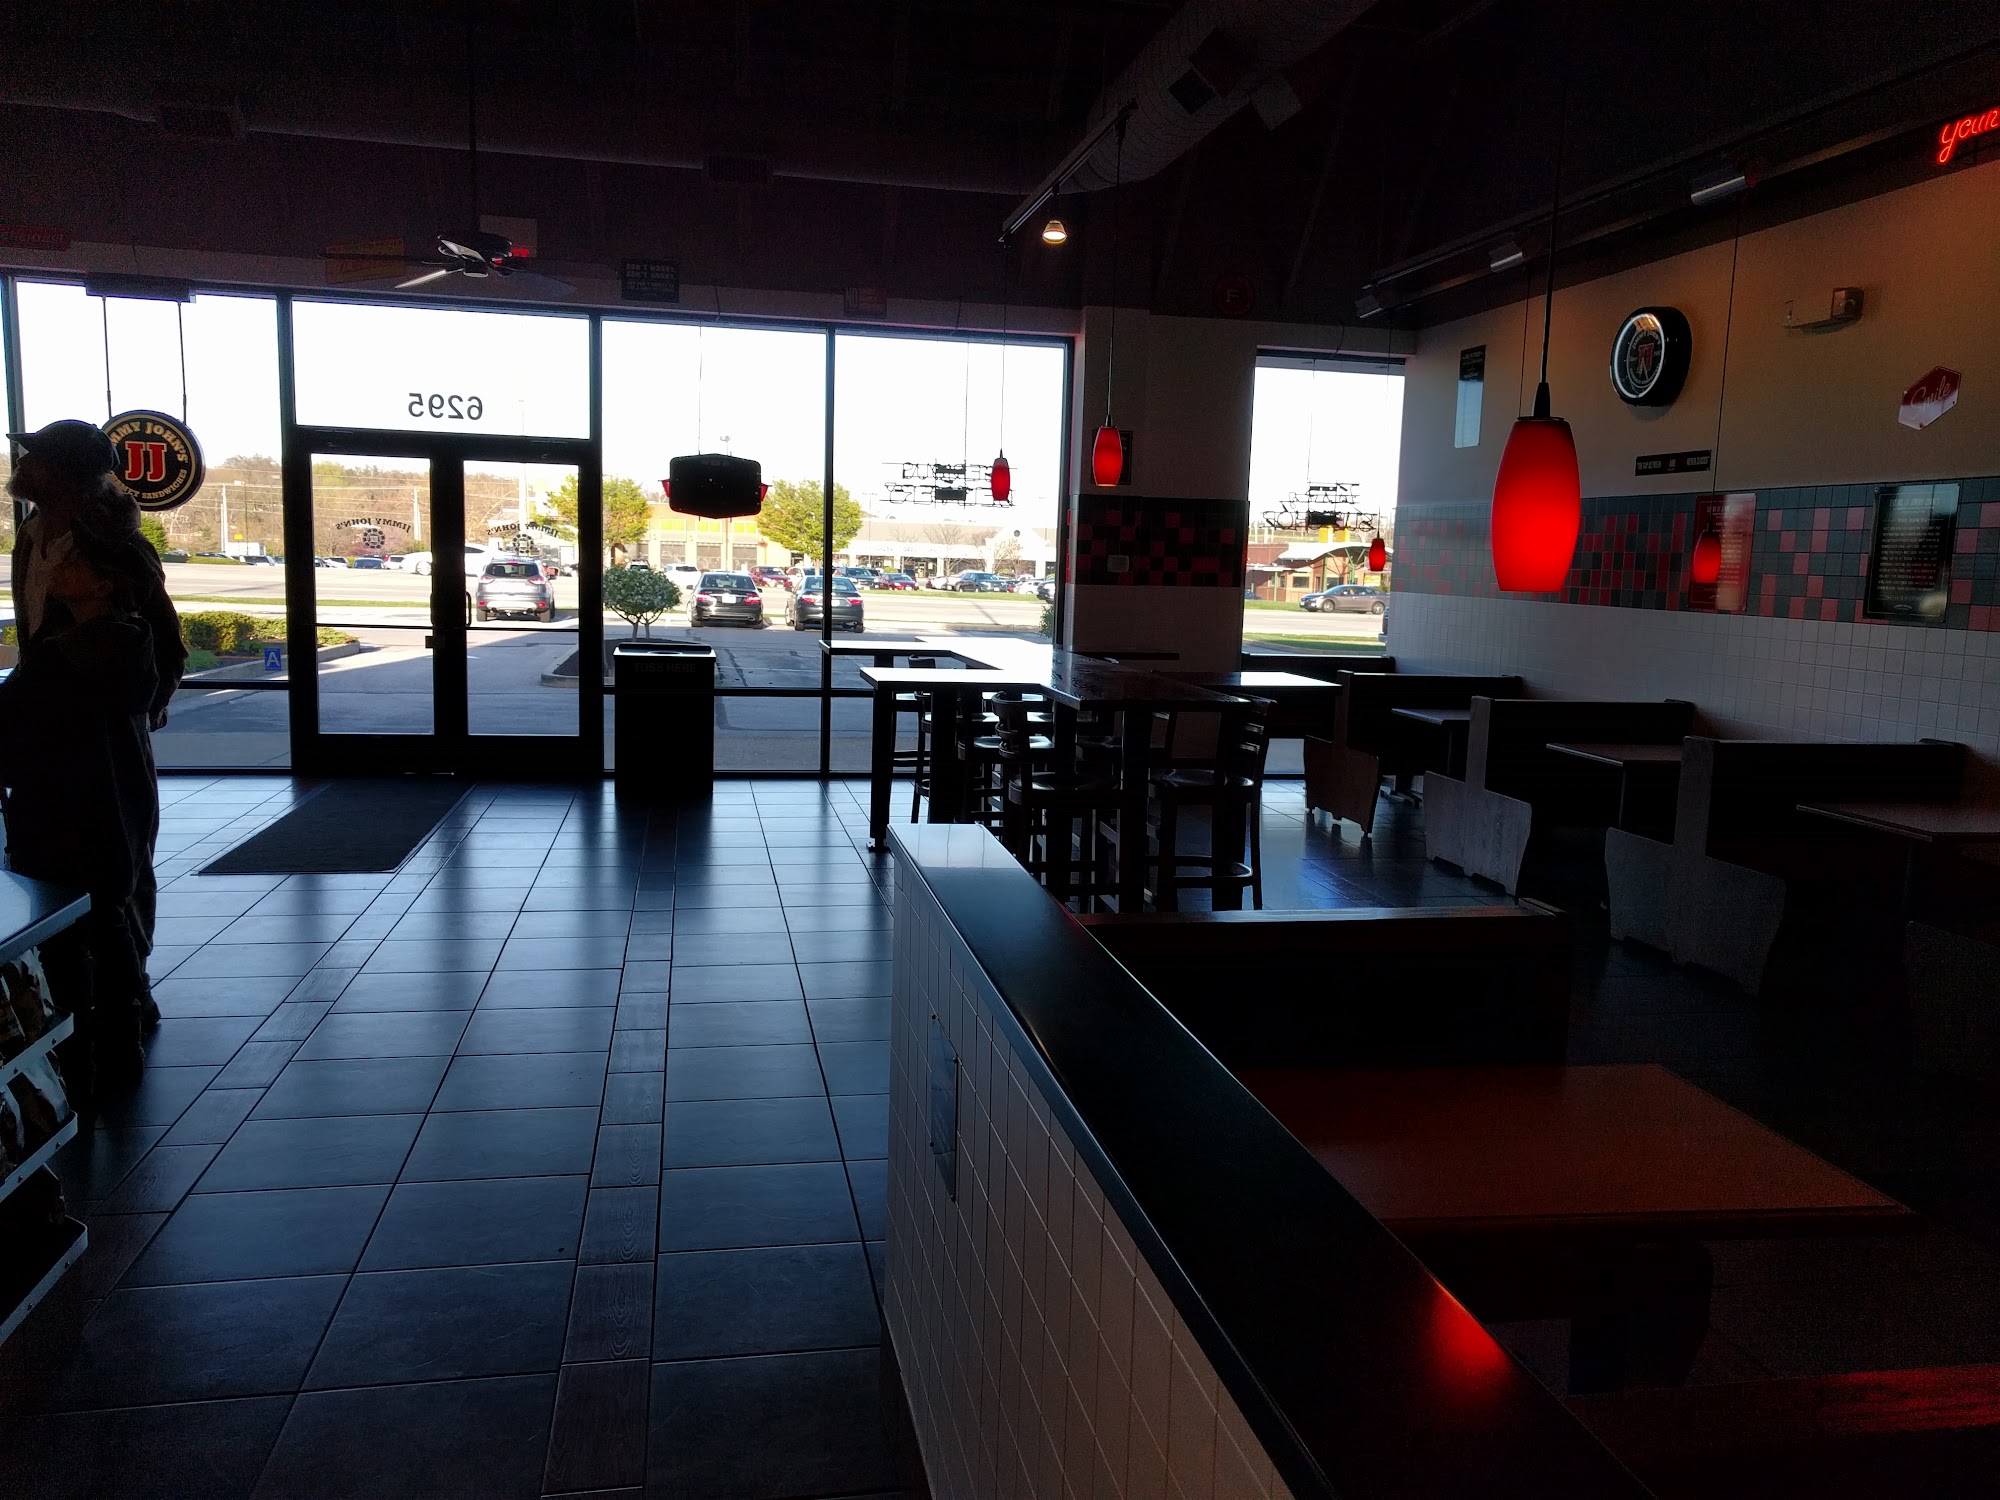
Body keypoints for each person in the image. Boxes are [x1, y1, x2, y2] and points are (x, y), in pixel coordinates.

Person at [7, 420, 185, 1037]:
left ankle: (128, 995)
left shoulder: (111, 544)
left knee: (117, 861)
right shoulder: (31, 535)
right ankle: (79, 997)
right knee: (55, 859)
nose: (21, 464)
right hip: (48, 719)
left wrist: (147, 701)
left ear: (63, 473)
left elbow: (161, 632)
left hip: (103, 724)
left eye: (34, 457)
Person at [0, 512, 163, 1102]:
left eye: (74, 562)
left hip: (61, 806)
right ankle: (121, 1043)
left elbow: (16, 721)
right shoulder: (128, 644)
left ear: (103, 583)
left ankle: (77, 1059)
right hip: (114, 803)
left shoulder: (64, 655)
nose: (59, 569)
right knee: (109, 921)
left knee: (63, 934)